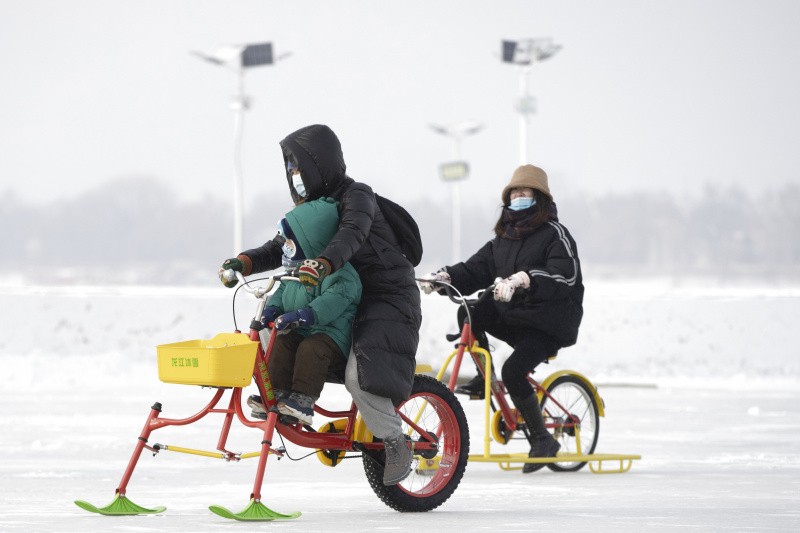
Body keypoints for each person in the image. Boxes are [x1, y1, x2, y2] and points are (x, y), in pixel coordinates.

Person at [219, 124, 421, 486]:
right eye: (290, 170)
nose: (295, 177)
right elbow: (282, 247)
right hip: (331, 289)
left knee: (360, 375)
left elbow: (352, 234)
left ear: (319, 164)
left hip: (385, 296)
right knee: (271, 331)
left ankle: (396, 442)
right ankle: (286, 398)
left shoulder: (357, 195)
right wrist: (245, 262)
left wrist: (324, 263)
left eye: (300, 168)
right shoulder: (311, 207)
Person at [419, 164, 584, 473]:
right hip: (517, 316)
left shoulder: (555, 235)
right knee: (469, 310)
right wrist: (443, 278)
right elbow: (475, 269)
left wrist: (524, 279)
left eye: (526, 192)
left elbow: (566, 276)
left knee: (514, 371)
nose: (519, 196)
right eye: (514, 193)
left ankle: (542, 439)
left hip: (550, 322)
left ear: (541, 198)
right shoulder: (503, 239)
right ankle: (485, 377)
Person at [232, 198, 361, 426]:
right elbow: (284, 290)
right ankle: (275, 394)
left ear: (313, 241)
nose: (288, 247)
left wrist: (304, 315)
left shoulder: (343, 275)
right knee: (283, 341)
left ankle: (303, 400)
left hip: (333, 338)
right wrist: (273, 310)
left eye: (293, 242)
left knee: (313, 348)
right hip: (304, 331)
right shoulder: (298, 270)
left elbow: (331, 303)